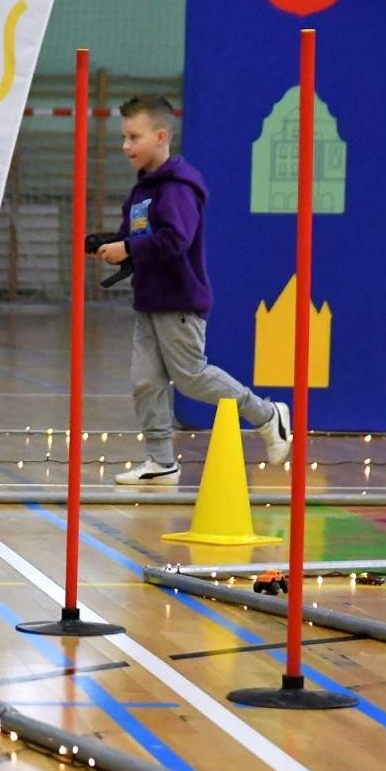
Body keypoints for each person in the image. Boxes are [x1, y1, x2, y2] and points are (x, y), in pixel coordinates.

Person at [99, 94, 291, 485]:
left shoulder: (177, 188)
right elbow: (139, 237)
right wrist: (113, 246)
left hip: (178, 301)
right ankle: (160, 461)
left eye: (133, 137)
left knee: (191, 377)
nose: (125, 146)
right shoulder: (142, 190)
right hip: (149, 301)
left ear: (161, 136)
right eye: (124, 137)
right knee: (145, 381)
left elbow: (175, 240)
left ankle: (267, 415)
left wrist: (129, 248)